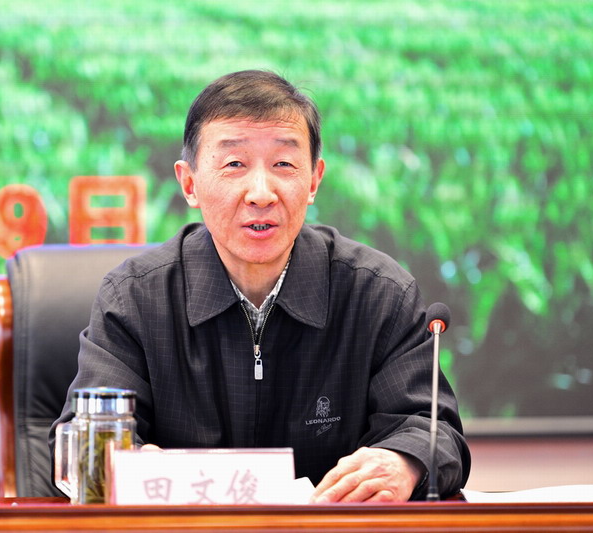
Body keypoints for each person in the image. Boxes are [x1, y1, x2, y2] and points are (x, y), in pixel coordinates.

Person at [50, 69, 470, 502]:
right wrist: (130, 466)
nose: (261, 193)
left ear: (314, 180)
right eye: (234, 164)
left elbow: (435, 431)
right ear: (189, 183)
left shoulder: (378, 294)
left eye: (283, 164)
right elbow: (84, 443)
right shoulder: (135, 299)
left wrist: (403, 461)